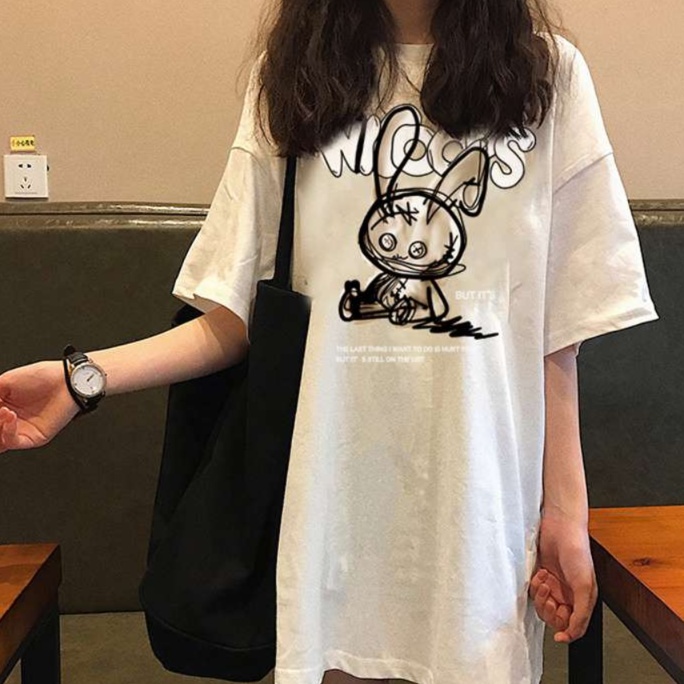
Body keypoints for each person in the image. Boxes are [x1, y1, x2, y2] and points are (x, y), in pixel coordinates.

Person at [0, 0, 660, 683]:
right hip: (329, 527)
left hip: (479, 527)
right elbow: (236, 317)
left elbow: (559, 333)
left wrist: (565, 512)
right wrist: (83, 378)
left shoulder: (545, 77)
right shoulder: (294, 78)